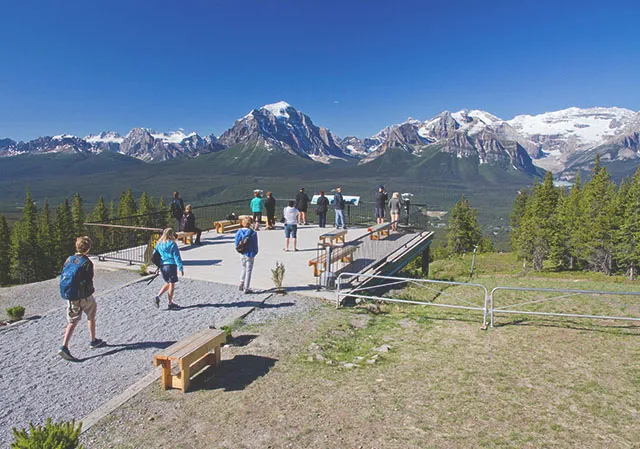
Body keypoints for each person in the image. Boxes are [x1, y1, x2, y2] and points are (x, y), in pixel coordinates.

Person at [58, 236, 105, 360]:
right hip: (85, 296)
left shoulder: (69, 259)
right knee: (91, 316)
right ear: (88, 248)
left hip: (71, 296)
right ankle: (93, 340)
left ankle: (64, 345)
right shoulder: (87, 262)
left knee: (72, 321)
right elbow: (89, 280)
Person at [154, 228, 184, 309]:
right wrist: (180, 267)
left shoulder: (159, 243)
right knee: (172, 285)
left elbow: (155, 254)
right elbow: (176, 256)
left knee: (168, 282)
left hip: (163, 266)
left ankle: (158, 296)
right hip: (171, 265)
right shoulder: (172, 244)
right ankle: (170, 303)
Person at [235, 217, 259, 293]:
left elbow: (236, 243)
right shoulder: (253, 233)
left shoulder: (239, 232)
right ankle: (246, 288)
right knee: (249, 271)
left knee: (243, 268)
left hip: (242, 253)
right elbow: (255, 245)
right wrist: (255, 252)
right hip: (250, 253)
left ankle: (241, 283)